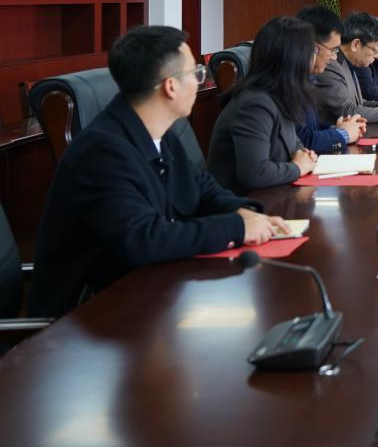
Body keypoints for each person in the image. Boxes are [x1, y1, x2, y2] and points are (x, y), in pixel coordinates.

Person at [29, 26, 287, 318]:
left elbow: (203, 188)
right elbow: (143, 239)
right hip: (86, 318)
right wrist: (235, 228)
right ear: (170, 86)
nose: (200, 82)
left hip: (148, 294)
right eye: (196, 74)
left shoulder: (160, 134)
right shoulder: (101, 152)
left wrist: (244, 212)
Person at [207, 16, 319, 194]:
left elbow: (293, 142)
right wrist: (298, 168)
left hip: (272, 197)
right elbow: (255, 173)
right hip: (244, 203)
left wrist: (304, 154)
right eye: (312, 51)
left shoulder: (280, 95)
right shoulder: (255, 104)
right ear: (294, 59)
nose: (314, 58)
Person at [295, 5, 364, 153]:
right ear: (311, 46)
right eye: (333, 50)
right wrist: (343, 134)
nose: (334, 57)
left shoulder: (306, 79)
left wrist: (339, 128)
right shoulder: (287, 84)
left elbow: (312, 127)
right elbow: (302, 140)